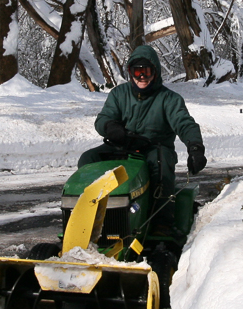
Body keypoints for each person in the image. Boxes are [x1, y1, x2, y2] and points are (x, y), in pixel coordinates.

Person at [78, 45, 207, 204]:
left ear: (155, 72)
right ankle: (94, 210)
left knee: (161, 164)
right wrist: (110, 127)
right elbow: (104, 118)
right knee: (88, 159)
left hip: (154, 149)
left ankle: (162, 220)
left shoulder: (169, 99)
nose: (142, 77)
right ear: (130, 72)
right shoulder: (119, 94)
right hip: (121, 146)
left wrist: (195, 148)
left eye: (146, 72)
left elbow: (185, 124)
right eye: (137, 72)